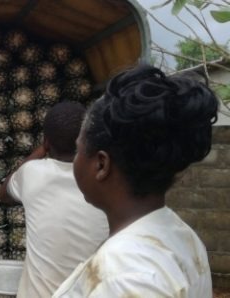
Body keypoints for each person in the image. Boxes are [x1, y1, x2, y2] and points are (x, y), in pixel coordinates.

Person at [54, 65, 216, 297]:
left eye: (78, 149)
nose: (75, 159)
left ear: (101, 165)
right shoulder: (180, 235)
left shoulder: (126, 277)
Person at [0, 101, 109, 297]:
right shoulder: (104, 180)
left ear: (47, 141)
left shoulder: (32, 174)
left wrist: (41, 150)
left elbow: (4, 194)